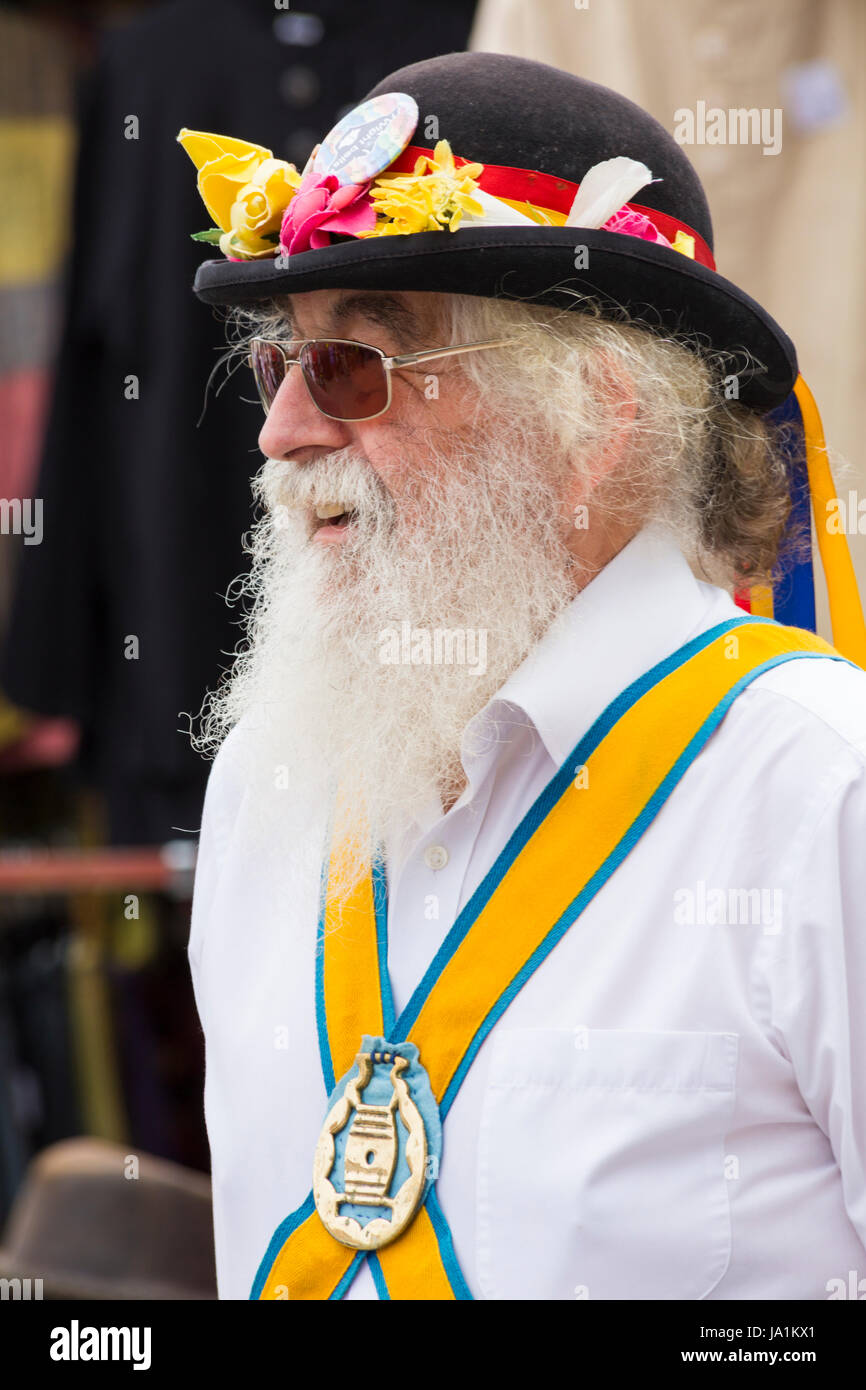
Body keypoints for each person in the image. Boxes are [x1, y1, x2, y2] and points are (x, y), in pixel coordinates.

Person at [182, 52, 866, 1300]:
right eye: (282, 364)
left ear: (591, 418)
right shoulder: (264, 782)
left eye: (353, 368)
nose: (281, 432)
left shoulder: (821, 788)